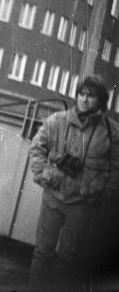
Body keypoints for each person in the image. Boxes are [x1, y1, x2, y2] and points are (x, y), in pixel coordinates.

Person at [29, 75, 119, 288]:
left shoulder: (110, 130)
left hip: (83, 203)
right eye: (82, 94)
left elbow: (116, 166)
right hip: (53, 197)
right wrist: (43, 175)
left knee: (68, 259)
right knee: (42, 252)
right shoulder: (58, 121)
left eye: (91, 96)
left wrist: (105, 193)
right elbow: (37, 147)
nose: (85, 100)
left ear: (101, 100)